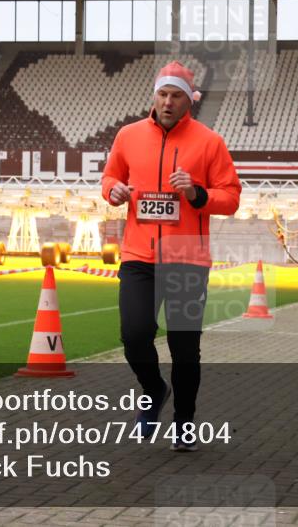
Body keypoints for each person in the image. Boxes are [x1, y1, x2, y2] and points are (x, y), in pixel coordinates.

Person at [102, 60, 241, 451]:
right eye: (162, 94)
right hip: (138, 255)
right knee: (134, 335)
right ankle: (153, 389)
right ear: (154, 96)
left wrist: (196, 193)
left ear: (188, 100)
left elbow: (230, 197)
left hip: (186, 258)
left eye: (175, 96)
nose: (167, 102)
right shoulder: (128, 136)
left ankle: (184, 423)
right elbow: (110, 177)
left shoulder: (209, 142)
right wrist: (113, 191)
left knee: (184, 348)